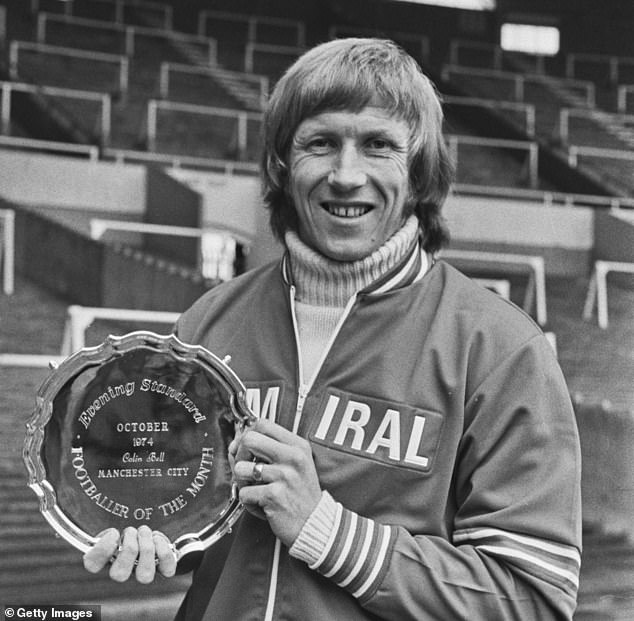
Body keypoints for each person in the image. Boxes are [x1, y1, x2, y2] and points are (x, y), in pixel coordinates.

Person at [83, 38, 582, 620]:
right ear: (282, 165)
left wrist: (326, 530)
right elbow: (193, 519)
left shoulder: (499, 348)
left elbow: (534, 600)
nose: (347, 176)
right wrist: (146, 522)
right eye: (320, 143)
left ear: (419, 173)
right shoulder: (208, 322)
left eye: (378, 146)